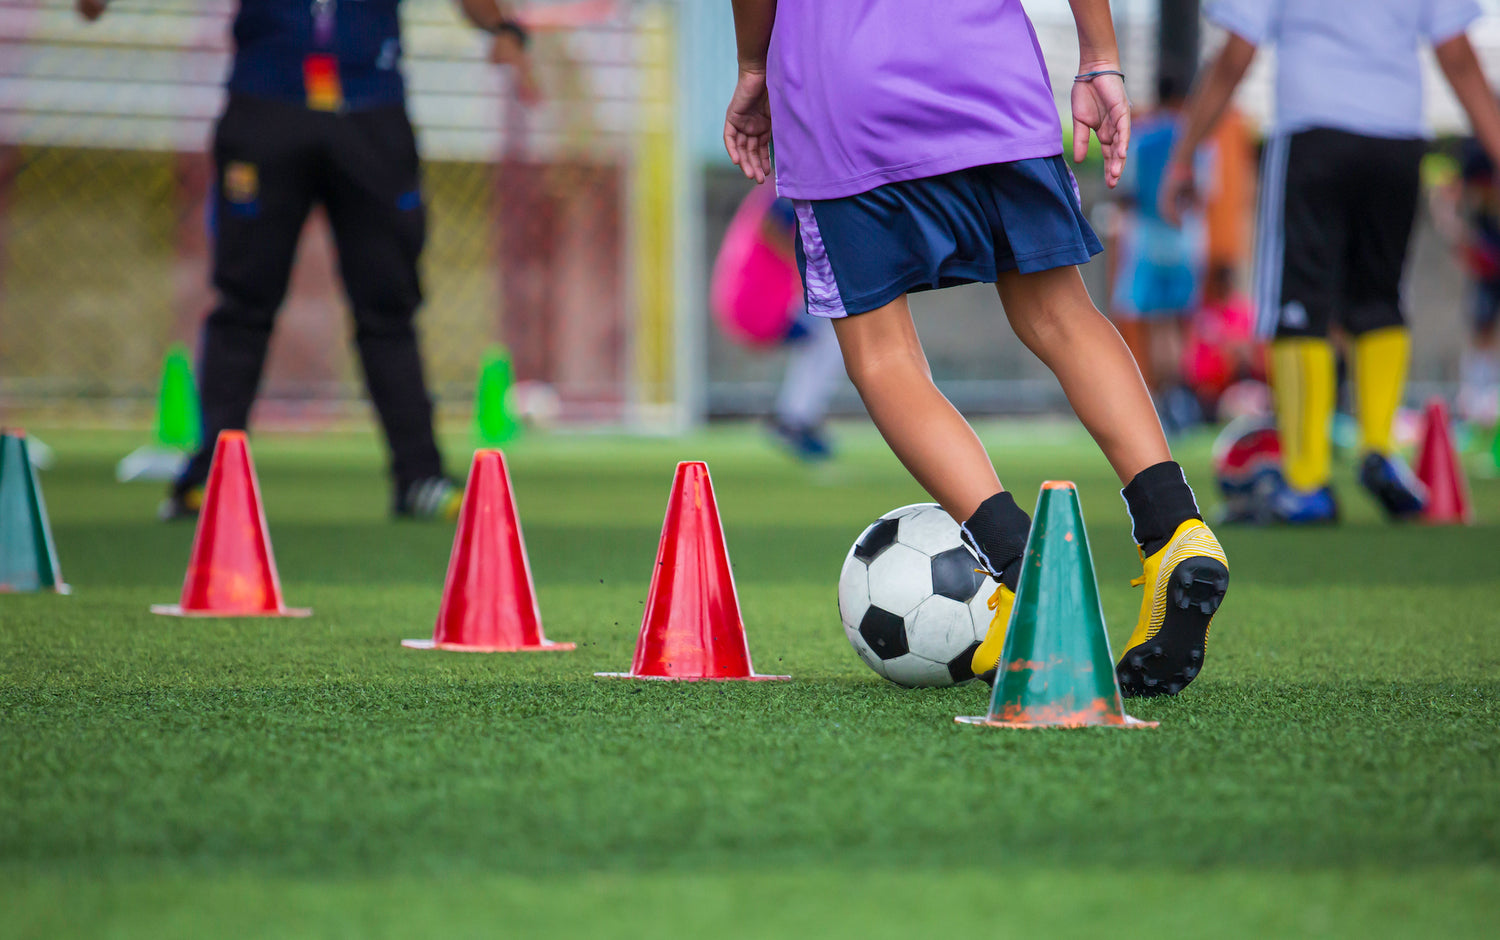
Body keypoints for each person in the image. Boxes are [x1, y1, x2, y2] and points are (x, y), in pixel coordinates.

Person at [724, 0, 1228, 697]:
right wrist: (1099, 55)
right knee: (1062, 315)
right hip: (991, 77)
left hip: (846, 95)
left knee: (883, 357)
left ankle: (1026, 569)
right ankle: (1176, 528)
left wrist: (755, 65)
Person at [77, 0, 532, 520]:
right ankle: (210, 478)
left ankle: (419, 476)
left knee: (388, 305)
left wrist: (503, 26)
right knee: (244, 300)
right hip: (267, 104)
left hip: (369, 109)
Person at [1159, 0, 1500, 523]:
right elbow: (1458, 57)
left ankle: (1306, 481)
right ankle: (1379, 448)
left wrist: (1184, 157)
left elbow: (1235, 54)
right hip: (1398, 138)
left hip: (1313, 132)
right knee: (1381, 300)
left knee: (1297, 307)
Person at [1106, 76, 1208, 435]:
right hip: (1184, 240)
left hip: (1147, 240)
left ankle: (1160, 404)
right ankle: (1178, 399)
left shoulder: (1143, 138)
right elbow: (1203, 194)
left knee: (1152, 325)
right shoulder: (1196, 140)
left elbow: (1126, 193)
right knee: (1175, 324)